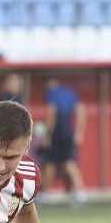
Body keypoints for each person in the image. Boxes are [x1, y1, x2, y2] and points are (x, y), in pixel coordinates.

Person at [40, 78, 88, 206]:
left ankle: (44, 194)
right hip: (68, 133)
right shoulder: (69, 93)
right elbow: (80, 110)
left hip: (56, 133)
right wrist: (78, 132)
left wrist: (47, 134)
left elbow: (52, 112)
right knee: (69, 162)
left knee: (50, 163)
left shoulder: (51, 94)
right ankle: (81, 192)